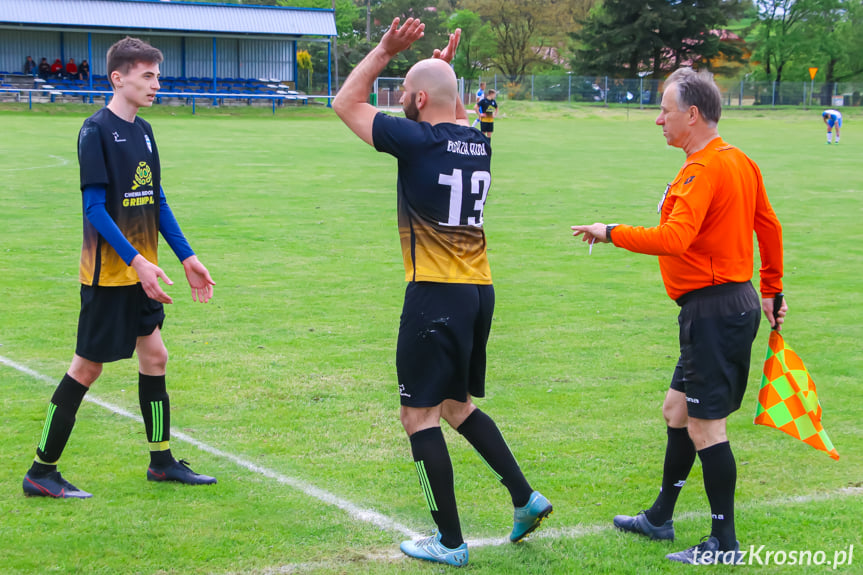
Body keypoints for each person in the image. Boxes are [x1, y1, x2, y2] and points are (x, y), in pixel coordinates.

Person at [333, 18, 552, 567]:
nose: (399, 99)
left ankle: (450, 543)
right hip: (479, 292)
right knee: (457, 406)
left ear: (421, 98)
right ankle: (525, 497)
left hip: (435, 295)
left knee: (419, 418)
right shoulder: (478, 141)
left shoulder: (415, 139)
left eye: (406, 92)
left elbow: (345, 103)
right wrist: (443, 68)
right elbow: (452, 110)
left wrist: (385, 50)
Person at [571, 67, 787, 565]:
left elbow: (673, 239)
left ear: (692, 114)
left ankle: (724, 544)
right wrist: (772, 290)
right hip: (728, 304)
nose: (658, 120)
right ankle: (660, 518)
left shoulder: (703, 169)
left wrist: (611, 230)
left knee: (707, 428)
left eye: (664, 111)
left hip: (713, 311)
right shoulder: (739, 161)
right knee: (677, 411)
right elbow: (769, 228)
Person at [22, 37, 217, 500]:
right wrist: (137, 262)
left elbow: (156, 201)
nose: (156, 83)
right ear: (119, 77)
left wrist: (186, 257)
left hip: (142, 273)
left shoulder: (145, 131)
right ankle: (41, 471)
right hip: (109, 276)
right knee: (87, 369)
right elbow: (94, 209)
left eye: (156, 75)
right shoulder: (94, 131)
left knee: (156, 357)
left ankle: (162, 462)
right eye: (147, 75)